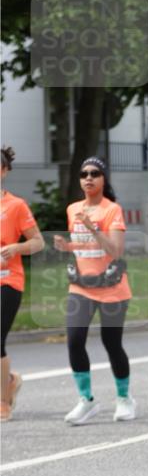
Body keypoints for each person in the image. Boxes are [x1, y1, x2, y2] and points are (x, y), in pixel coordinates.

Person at [53, 157, 136, 425]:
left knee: (111, 343)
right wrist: (67, 247)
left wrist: (92, 228)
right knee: (74, 339)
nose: (88, 178)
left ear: (104, 179)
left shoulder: (112, 210)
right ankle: (86, 400)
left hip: (112, 287)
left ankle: (124, 399)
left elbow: (115, 250)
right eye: (84, 173)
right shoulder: (73, 208)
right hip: (81, 287)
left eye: (95, 173)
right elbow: (84, 246)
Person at [0, 147, 45, 421]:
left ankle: (3, 402)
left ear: (4, 171)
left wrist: (16, 248)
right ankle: (10, 381)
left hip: (8, 281)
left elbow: (38, 242)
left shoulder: (15, 206)